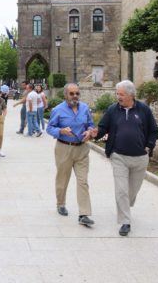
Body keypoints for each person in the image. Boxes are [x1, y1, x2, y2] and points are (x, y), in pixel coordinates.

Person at [92, 80, 158, 237]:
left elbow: (154, 130)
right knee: (121, 190)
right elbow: (103, 127)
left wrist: (148, 146)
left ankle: (125, 207)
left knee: (132, 191)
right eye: (117, 94)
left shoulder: (144, 110)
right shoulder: (113, 110)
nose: (118, 97)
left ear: (131, 95)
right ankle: (125, 222)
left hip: (140, 158)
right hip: (119, 156)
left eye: (121, 94)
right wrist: (96, 133)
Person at [46, 83, 95, 227]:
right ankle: (61, 203)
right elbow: (49, 128)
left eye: (77, 93)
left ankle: (84, 214)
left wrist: (89, 131)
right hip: (64, 148)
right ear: (65, 95)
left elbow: (90, 125)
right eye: (72, 93)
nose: (75, 96)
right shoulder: (58, 110)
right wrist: (60, 131)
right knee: (63, 179)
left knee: (83, 181)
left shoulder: (85, 108)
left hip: (82, 149)